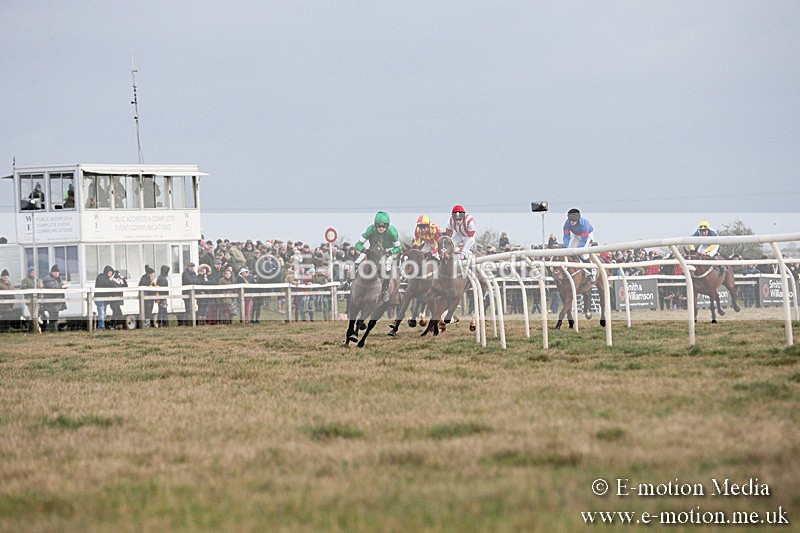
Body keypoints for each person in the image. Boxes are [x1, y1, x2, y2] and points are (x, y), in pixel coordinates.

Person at [354, 211, 403, 302]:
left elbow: (399, 247)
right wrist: (363, 250)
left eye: (383, 226)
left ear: (387, 226)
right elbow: (358, 244)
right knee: (357, 262)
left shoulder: (392, 232)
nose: (381, 228)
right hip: (373, 249)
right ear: (375, 225)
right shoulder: (370, 230)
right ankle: (349, 282)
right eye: (378, 226)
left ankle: (385, 291)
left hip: (388, 250)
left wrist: (391, 252)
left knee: (387, 268)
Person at [563, 208, 595, 282]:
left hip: (587, 236)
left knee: (583, 254)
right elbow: (566, 236)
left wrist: (578, 249)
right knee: (569, 251)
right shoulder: (567, 223)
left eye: (574, 221)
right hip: (576, 235)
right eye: (570, 220)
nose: (572, 222)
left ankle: (590, 274)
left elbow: (584, 240)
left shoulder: (584, 224)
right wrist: (566, 245)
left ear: (577, 219)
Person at [42, 264, 68, 332]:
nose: (57, 273)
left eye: (58, 272)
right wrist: (62, 285)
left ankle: (52, 330)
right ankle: (53, 331)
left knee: (54, 316)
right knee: (53, 317)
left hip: (57, 302)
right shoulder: (47, 279)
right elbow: (54, 288)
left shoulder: (57, 279)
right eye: (56, 272)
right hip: (51, 302)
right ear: (52, 272)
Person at [94, 265, 116, 331]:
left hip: (105, 299)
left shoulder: (108, 279)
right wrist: (113, 282)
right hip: (99, 298)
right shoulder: (101, 276)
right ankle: (101, 327)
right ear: (106, 271)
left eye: (111, 273)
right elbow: (105, 283)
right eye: (109, 272)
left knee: (103, 313)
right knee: (101, 313)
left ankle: (102, 326)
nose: (110, 274)